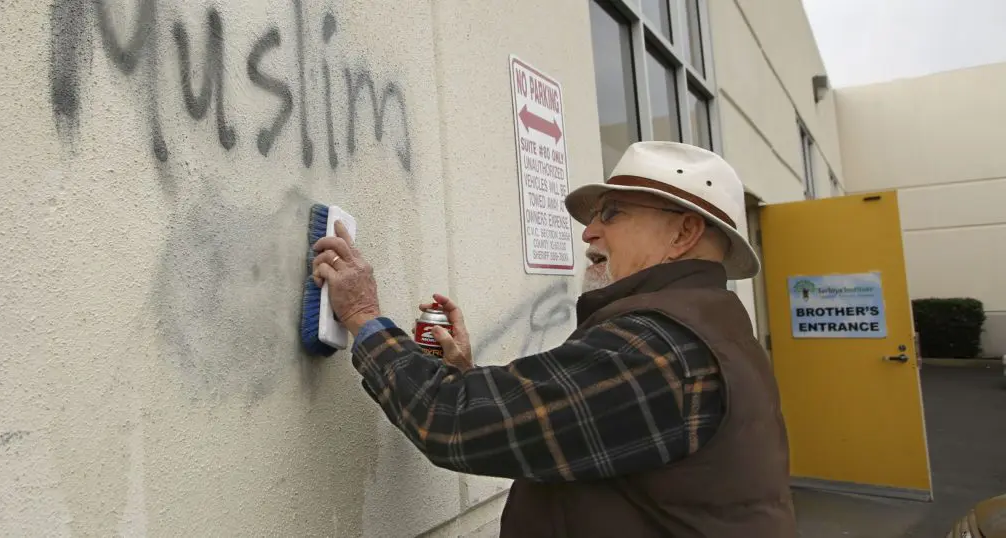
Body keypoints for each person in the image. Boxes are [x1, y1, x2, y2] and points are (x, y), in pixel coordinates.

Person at [311, 141, 795, 537]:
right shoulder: (708, 331)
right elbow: (561, 431)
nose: (589, 232)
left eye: (612, 213)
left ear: (683, 233)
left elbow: (452, 420)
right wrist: (463, 377)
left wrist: (362, 316)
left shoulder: (659, 348)